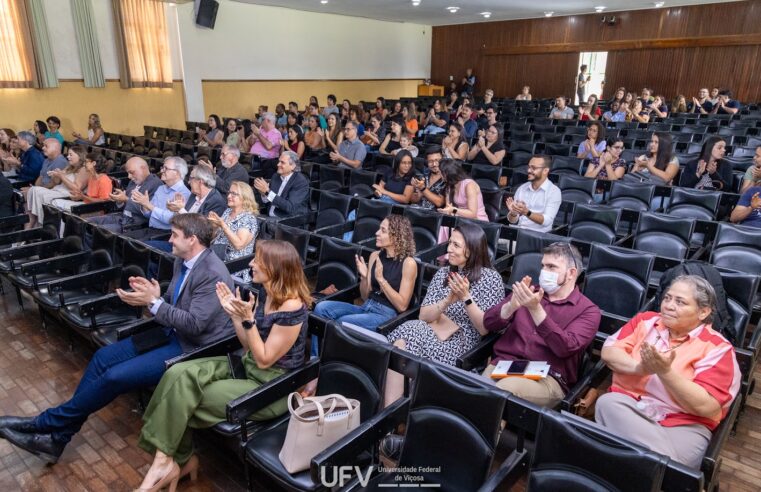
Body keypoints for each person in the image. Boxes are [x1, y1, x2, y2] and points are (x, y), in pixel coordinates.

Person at [0, 213, 235, 464]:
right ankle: (57, 438)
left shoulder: (212, 273)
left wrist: (154, 303)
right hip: (170, 333)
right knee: (103, 357)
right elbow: (172, 306)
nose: (170, 240)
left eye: (175, 236)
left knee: (114, 377)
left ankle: (45, 424)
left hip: (191, 347)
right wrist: (153, 297)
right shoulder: (182, 261)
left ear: (193, 240)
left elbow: (195, 325)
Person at [133, 239, 310, 490]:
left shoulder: (292, 307)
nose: (251, 263)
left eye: (257, 259)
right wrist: (236, 317)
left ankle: (176, 462)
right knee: (177, 373)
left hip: (271, 386)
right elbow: (249, 347)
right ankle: (171, 461)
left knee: (183, 397)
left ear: (274, 267)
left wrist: (247, 320)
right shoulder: (266, 293)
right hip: (248, 365)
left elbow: (265, 358)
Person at [595, 275, 741, 469]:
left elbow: (708, 407)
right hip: (629, 407)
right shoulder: (646, 321)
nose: (669, 306)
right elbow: (609, 352)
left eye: (680, 302)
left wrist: (665, 372)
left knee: (616, 455)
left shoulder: (718, 348)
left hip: (684, 425)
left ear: (703, 312)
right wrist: (640, 368)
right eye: (667, 298)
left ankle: (650, 467)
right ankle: (668, 472)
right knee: (607, 403)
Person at [385, 222, 504, 401]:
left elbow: (484, 329)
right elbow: (424, 315)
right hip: (432, 330)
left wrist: (466, 297)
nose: (449, 249)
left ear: (472, 249)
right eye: (449, 243)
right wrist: (447, 300)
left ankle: (394, 411)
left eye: (456, 245)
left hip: (463, 345)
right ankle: (395, 409)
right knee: (405, 339)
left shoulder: (490, 279)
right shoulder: (443, 274)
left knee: (406, 339)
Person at [483, 242, 600, 406]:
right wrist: (511, 307)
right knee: (480, 389)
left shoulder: (588, 311)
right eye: (543, 266)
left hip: (549, 378)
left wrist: (535, 309)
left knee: (501, 391)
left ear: (571, 273)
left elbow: (565, 347)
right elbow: (488, 322)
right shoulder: (529, 291)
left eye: (552, 267)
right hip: (506, 364)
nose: (544, 272)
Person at [314, 215, 417, 333]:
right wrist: (364, 277)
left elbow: (402, 306)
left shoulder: (408, 263)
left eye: (383, 230)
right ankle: (316, 352)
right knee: (321, 308)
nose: (377, 233)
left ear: (396, 236)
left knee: (342, 322)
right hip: (366, 306)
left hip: (386, 315)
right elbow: (364, 296)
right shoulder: (375, 256)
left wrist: (381, 280)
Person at [87, 156, 162, 234]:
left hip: (136, 224)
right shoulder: (133, 182)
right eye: (128, 173)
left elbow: (147, 211)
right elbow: (124, 204)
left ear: (143, 168)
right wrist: (119, 200)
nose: (129, 176)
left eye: (132, 172)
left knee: (99, 231)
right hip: (122, 217)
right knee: (87, 222)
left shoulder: (156, 184)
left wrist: (126, 199)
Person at [126, 156, 191, 239]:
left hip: (166, 234)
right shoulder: (161, 188)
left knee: (131, 244)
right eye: (162, 167)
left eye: (166, 168)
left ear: (177, 173)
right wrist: (144, 204)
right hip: (151, 229)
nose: (161, 171)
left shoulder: (184, 193)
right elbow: (149, 215)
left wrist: (149, 205)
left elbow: (171, 220)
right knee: (122, 239)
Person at [207, 181, 259, 282]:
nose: (229, 196)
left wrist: (223, 225)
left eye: (234, 194)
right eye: (229, 193)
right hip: (217, 255)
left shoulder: (249, 218)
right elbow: (215, 237)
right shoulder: (228, 212)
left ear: (245, 197)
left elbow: (239, 245)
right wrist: (214, 226)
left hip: (233, 265)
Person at [26, 145, 89, 227]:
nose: (68, 157)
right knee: (33, 190)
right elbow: (57, 182)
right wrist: (55, 175)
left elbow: (76, 188)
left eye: (71, 155)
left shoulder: (84, 169)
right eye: (68, 155)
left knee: (43, 196)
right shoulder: (70, 167)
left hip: (68, 194)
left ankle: (43, 224)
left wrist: (61, 176)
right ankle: (38, 221)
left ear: (80, 156)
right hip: (57, 190)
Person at [507, 155, 562, 233]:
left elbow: (547, 221)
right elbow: (512, 221)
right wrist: (513, 213)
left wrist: (527, 212)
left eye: (534, 168)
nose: (529, 170)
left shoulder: (554, 191)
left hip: (537, 237)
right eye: (529, 167)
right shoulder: (522, 188)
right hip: (518, 233)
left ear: (545, 170)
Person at [253, 151, 310, 220]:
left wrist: (267, 192)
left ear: (292, 166)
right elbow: (270, 199)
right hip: (269, 216)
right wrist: (264, 194)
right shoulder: (276, 176)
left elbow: (289, 207)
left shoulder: (300, 182)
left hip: (288, 220)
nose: (278, 164)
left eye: (282, 162)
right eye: (279, 161)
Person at [584, 137, 627, 202]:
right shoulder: (596, 159)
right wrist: (600, 165)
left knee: (597, 198)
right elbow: (587, 178)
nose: (619, 150)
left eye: (621, 148)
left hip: (607, 193)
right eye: (616, 147)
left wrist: (607, 164)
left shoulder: (621, 162)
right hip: (591, 189)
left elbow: (614, 183)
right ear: (608, 148)